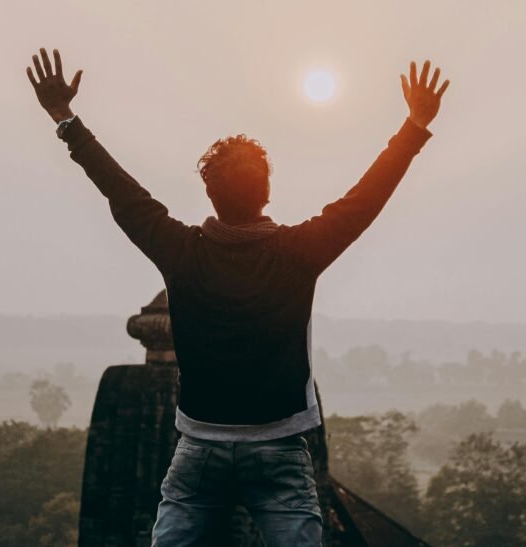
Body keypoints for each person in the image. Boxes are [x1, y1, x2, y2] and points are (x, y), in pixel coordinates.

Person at [25, 48, 450, 546]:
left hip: (199, 450)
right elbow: (364, 200)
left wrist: (65, 118)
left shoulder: (182, 252)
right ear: (266, 191)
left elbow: (121, 191)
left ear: (210, 195)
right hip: (279, 450)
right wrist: (414, 126)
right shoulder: (298, 252)